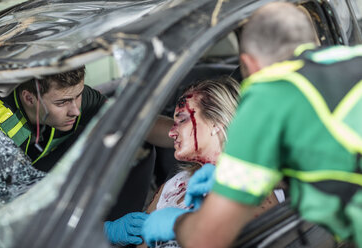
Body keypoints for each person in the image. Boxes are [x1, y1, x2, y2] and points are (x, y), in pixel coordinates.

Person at [141, 2, 362, 248]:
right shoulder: (351, 63)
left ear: (249, 64)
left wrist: (175, 224)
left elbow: (204, 238)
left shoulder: (267, 103)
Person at [104, 76, 283, 247]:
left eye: (181, 120)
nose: (171, 132)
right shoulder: (176, 184)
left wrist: (180, 224)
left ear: (216, 123)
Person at [0, 66, 173, 171]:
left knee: (132, 141)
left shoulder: (75, 98)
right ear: (29, 98)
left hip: (35, 169)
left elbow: (137, 121)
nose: (75, 110)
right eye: (62, 103)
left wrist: (191, 135)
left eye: (78, 96)